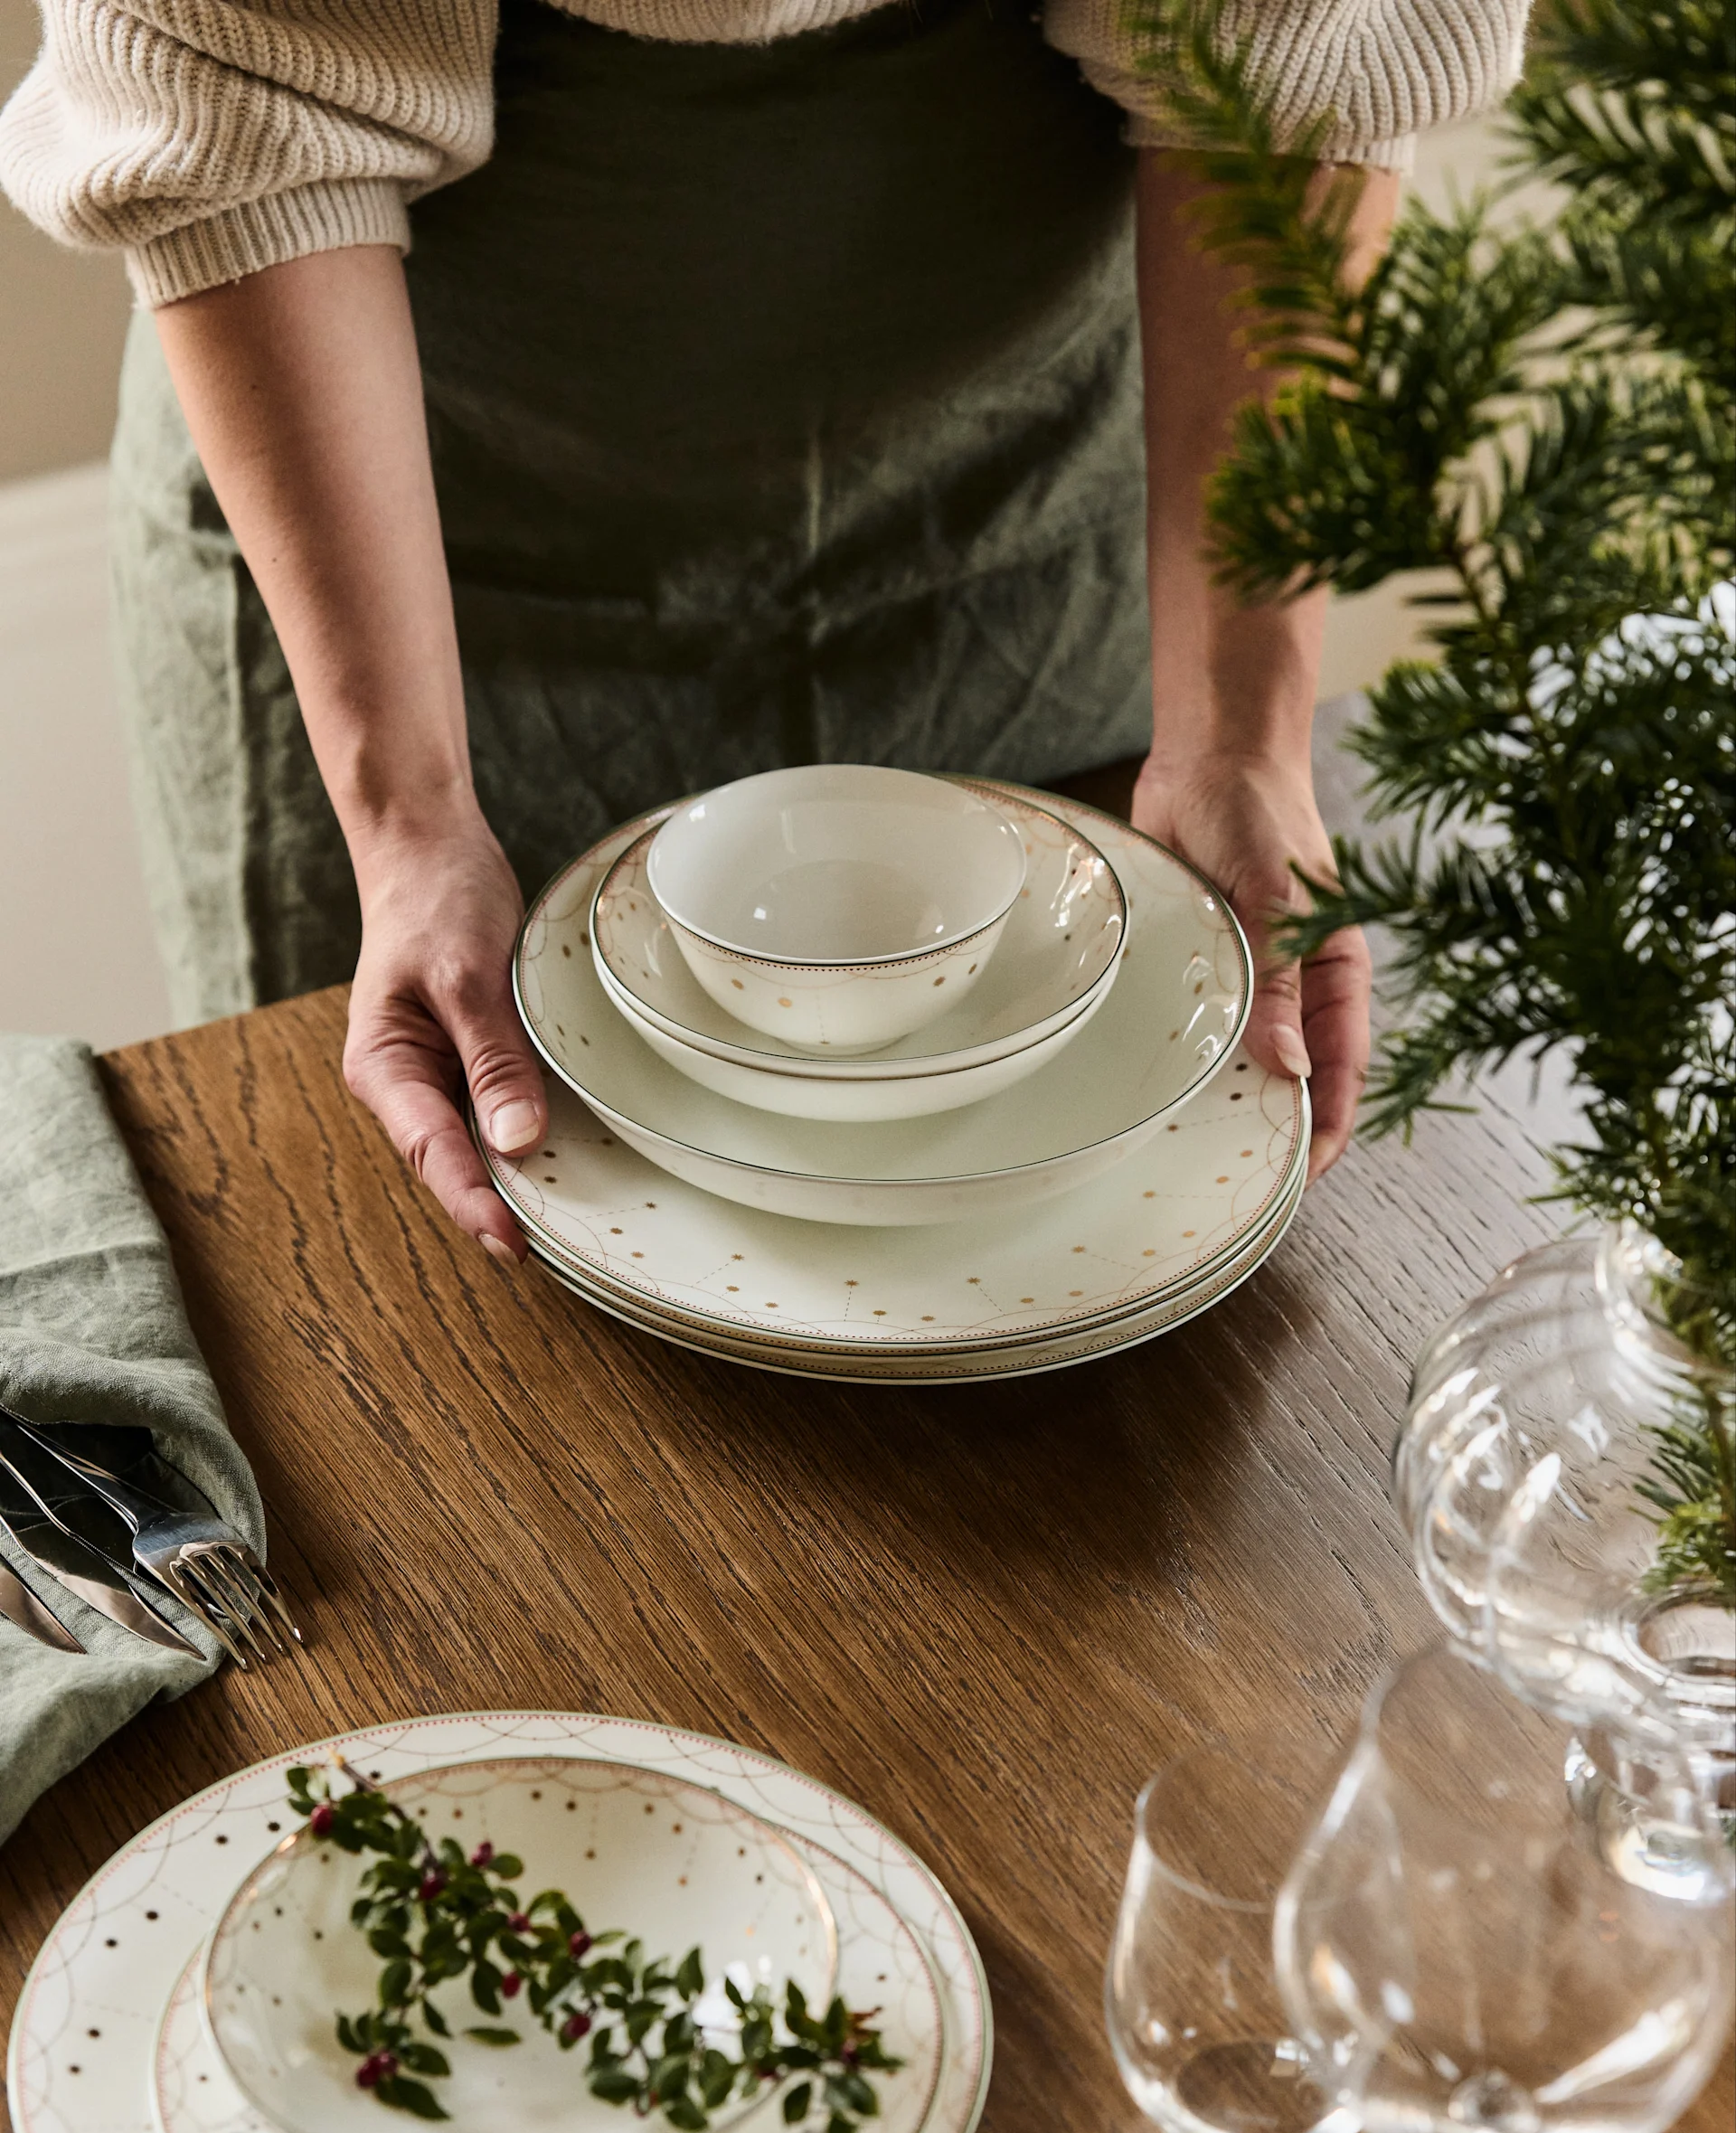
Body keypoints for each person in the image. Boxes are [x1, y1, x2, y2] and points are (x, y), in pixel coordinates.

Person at [1, 1, 1526, 1262]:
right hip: (398, 512)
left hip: (1041, 519)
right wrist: (411, 824)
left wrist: (1244, 735)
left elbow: (1292, 44)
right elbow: (247, 111)